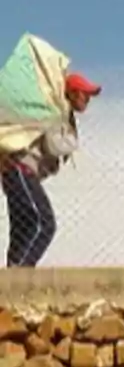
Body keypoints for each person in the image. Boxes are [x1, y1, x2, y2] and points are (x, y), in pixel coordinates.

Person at [1, 72, 101, 268]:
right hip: (21, 170)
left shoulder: (62, 115)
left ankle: (12, 272)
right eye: (84, 93)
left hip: (17, 172)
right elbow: (54, 146)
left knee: (24, 226)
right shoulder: (55, 113)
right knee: (44, 223)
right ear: (71, 93)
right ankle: (19, 274)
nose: (87, 99)